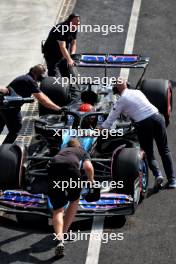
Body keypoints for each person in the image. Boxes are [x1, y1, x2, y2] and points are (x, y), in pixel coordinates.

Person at [101, 80, 176, 189]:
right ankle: (172, 180)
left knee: (148, 152)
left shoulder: (121, 101)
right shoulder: (138, 92)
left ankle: (157, 174)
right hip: (157, 117)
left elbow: (109, 121)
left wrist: (99, 130)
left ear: (116, 90)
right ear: (127, 84)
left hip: (144, 124)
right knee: (164, 150)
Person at [48, 138, 94, 257]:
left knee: (58, 209)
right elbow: (88, 167)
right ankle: (65, 233)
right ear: (79, 146)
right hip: (71, 170)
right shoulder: (81, 151)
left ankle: (60, 240)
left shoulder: (61, 152)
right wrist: (91, 180)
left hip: (53, 169)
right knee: (74, 200)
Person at [0, 64, 61, 144]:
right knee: (16, 129)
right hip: (11, 108)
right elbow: (43, 100)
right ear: (38, 74)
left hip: (4, 106)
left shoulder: (25, 78)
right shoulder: (30, 81)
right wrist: (58, 108)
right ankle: (4, 151)